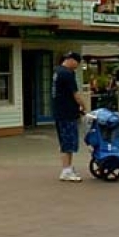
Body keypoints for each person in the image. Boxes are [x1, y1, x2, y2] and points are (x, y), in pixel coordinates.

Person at [52, 51, 86, 182]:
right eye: (77, 63)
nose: (76, 67)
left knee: (65, 141)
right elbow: (75, 94)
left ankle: (68, 168)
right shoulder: (67, 73)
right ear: (72, 60)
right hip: (67, 112)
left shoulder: (57, 72)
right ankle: (66, 170)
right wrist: (84, 106)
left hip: (59, 111)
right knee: (68, 141)